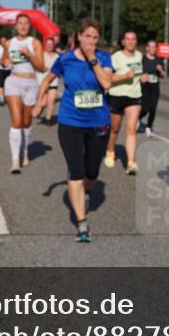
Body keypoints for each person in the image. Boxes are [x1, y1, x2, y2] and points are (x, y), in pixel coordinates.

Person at [33, 18, 113, 243]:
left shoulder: (104, 58)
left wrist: (92, 59)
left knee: (92, 172)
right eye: (87, 36)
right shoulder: (65, 58)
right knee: (76, 171)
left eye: (95, 37)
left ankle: (85, 191)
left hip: (98, 122)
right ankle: (82, 223)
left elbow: (107, 83)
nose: (91, 41)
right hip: (70, 122)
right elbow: (47, 79)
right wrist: (39, 102)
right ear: (78, 36)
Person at [1, 13, 44, 173]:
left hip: (31, 84)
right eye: (20, 23)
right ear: (15, 26)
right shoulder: (9, 43)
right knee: (17, 121)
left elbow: (41, 67)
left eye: (26, 23)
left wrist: (29, 55)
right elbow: (3, 61)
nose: (23, 26)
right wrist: (4, 62)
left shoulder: (35, 42)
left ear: (30, 26)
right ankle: (15, 161)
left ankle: (24, 151)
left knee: (26, 122)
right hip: (13, 82)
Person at [106, 30, 144, 174]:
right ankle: (110, 150)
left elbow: (139, 74)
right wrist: (124, 76)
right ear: (123, 42)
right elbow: (108, 78)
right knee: (115, 128)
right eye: (127, 39)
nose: (130, 41)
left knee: (131, 129)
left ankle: (131, 162)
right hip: (117, 95)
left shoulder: (139, 56)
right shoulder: (115, 57)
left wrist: (142, 78)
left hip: (134, 96)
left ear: (136, 41)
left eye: (133, 39)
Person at [139, 39, 166, 137]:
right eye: (150, 47)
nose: (152, 49)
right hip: (145, 86)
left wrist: (161, 70)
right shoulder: (142, 59)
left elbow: (163, 75)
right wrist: (141, 77)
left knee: (153, 108)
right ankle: (138, 118)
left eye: (154, 47)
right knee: (145, 108)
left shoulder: (159, 59)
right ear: (146, 48)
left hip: (155, 86)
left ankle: (149, 126)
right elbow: (137, 72)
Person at [36, 36, 61, 125]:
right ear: (44, 45)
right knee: (43, 103)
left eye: (51, 44)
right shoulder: (41, 55)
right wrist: (41, 67)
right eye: (47, 44)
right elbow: (35, 65)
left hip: (53, 82)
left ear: (54, 45)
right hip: (42, 82)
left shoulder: (57, 56)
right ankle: (37, 110)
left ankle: (48, 119)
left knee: (51, 101)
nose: (49, 46)